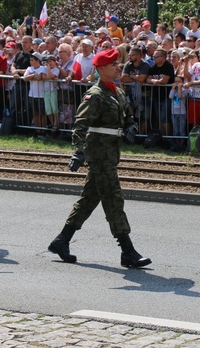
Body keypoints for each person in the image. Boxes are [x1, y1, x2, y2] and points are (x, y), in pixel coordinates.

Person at [48, 48, 150, 268]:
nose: (117, 67)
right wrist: (78, 152)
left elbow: (128, 117)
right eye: (113, 64)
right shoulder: (95, 95)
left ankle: (61, 240)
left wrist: (131, 128)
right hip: (99, 156)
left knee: (88, 200)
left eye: (117, 64)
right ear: (101, 68)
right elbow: (80, 125)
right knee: (114, 200)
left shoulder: (118, 93)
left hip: (110, 154)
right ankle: (127, 251)